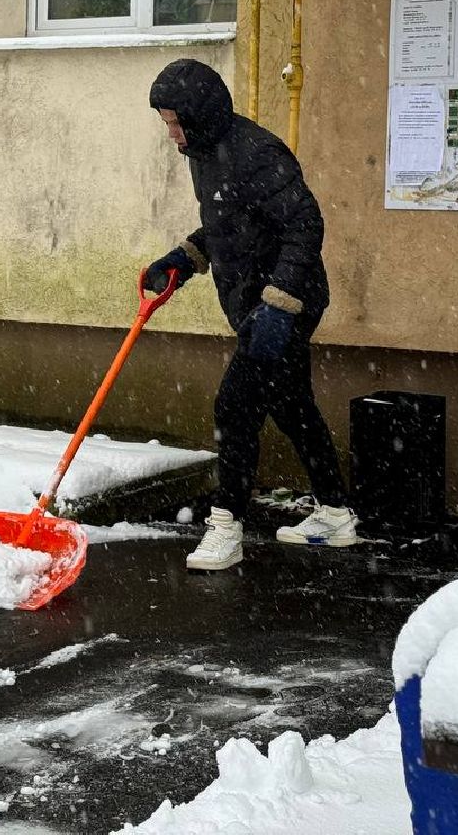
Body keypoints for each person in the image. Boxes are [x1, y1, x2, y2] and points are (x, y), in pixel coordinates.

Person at [144, 58, 356, 570]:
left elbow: (305, 225)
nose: (170, 133)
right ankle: (335, 512)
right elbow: (228, 225)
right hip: (252, 303)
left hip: (286, 303)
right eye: (166, 122)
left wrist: (279, 304)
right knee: (292, 406)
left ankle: (226, 525)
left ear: (200, 115)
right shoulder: (206, 154)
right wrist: (185, 259)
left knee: (234, 408)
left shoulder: (256, 152)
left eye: (175, 121)